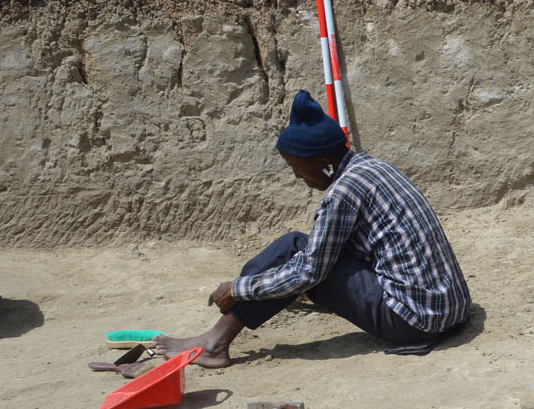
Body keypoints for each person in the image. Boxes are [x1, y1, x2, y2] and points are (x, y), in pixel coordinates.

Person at [155, 92, 469, 368]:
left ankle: (215, 343)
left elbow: (309, 271)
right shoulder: (373, 167)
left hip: (414, 321)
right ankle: (224, 330)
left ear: (324, 162)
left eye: (296, 167)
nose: (297, 177)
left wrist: (238, 288)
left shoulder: (342, 193)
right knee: (300, 254)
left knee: (293, 250)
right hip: (448, 310)